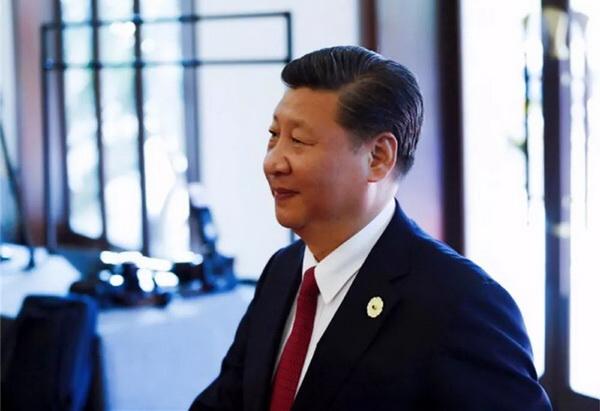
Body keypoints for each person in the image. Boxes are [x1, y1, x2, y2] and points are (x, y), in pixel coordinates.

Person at [189, 45, 552, 411]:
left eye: (298, 141)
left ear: (378, 157)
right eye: (273, 135)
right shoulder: (282, 272)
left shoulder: (460, 304)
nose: (273, 162)